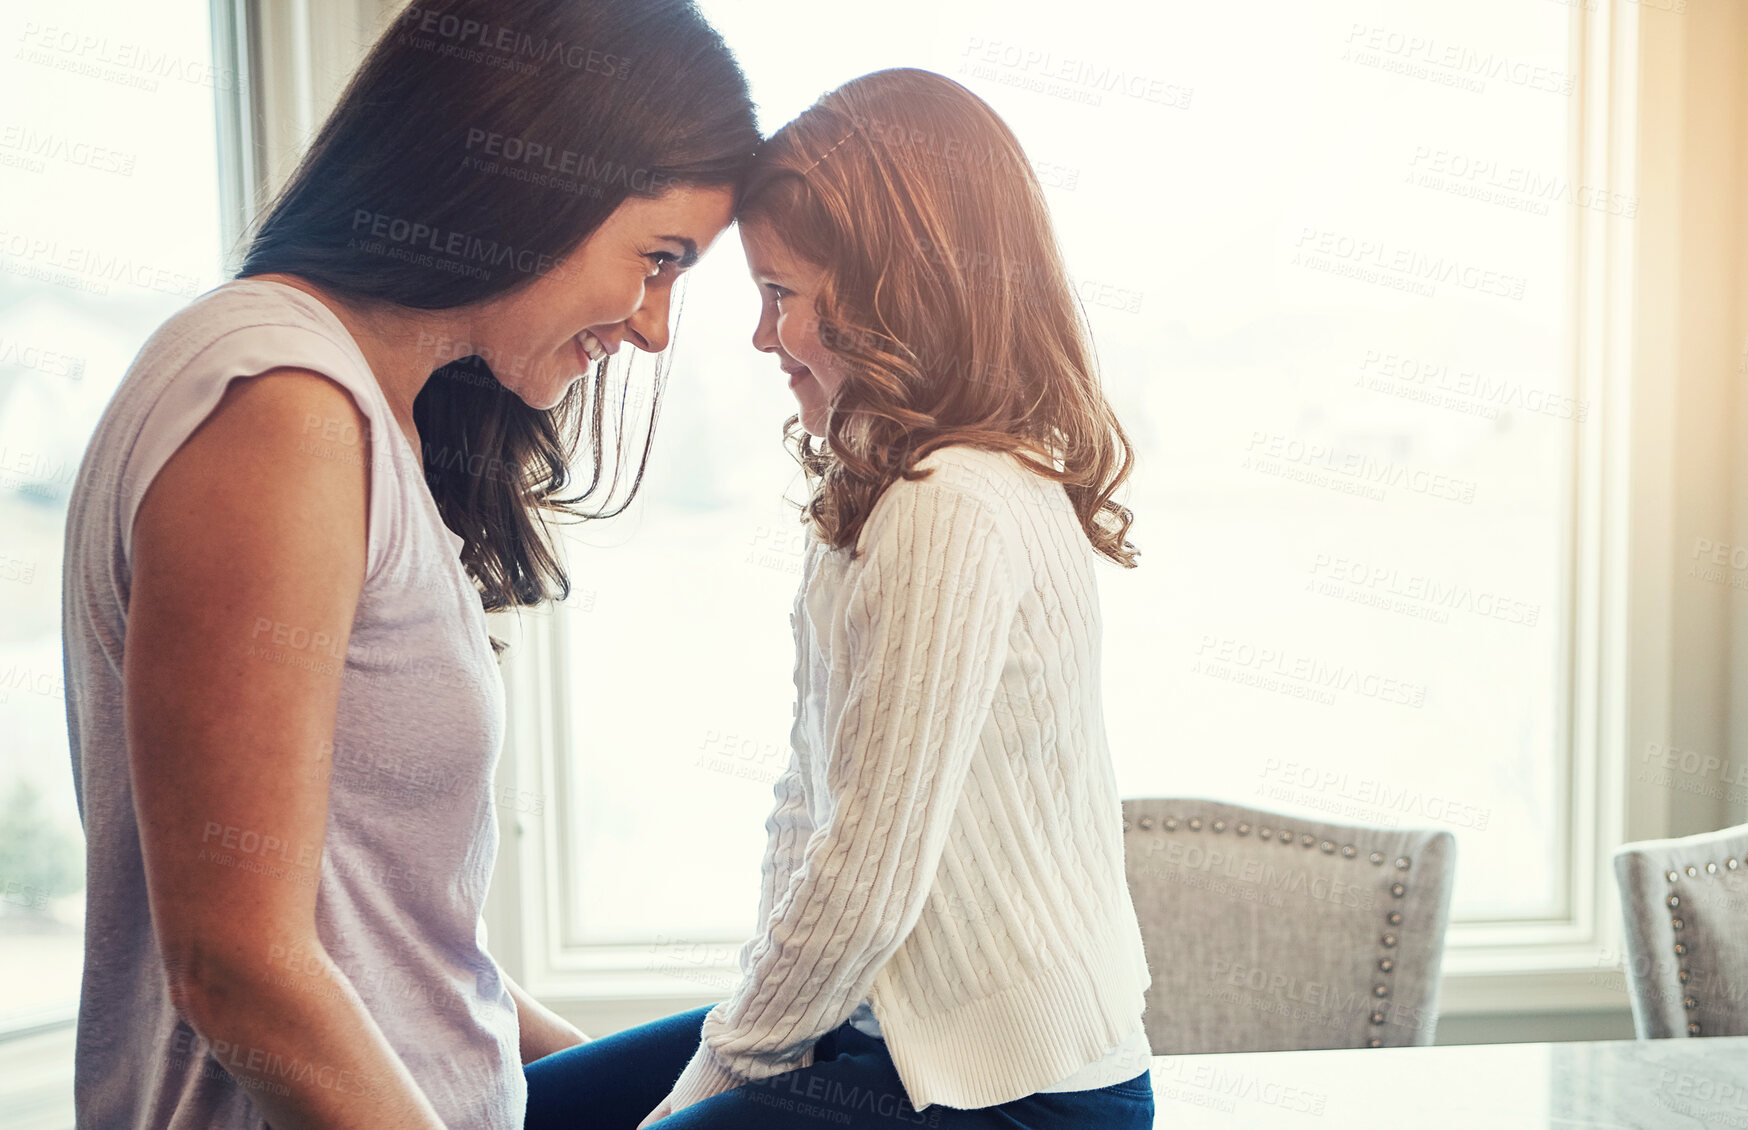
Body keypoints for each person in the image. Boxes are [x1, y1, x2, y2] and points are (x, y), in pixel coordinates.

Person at [59, 2, 757, 1126]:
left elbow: (405, 947)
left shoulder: (377, 414)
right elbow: (236, 963)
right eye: (658, 261)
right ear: (538, 182)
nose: (654, 326)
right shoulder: (281, 407)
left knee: (815, 1050)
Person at [522, 67, 1155, 1130]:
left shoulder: (949, 500)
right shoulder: (886, 486)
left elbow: (864, 874)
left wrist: (713, 1079)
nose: (763, 338)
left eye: (781, 296)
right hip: (881, 1043)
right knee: (524, 1109)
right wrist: (738, 1041)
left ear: (893, 296)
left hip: (1008, 1089)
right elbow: (809, 808)